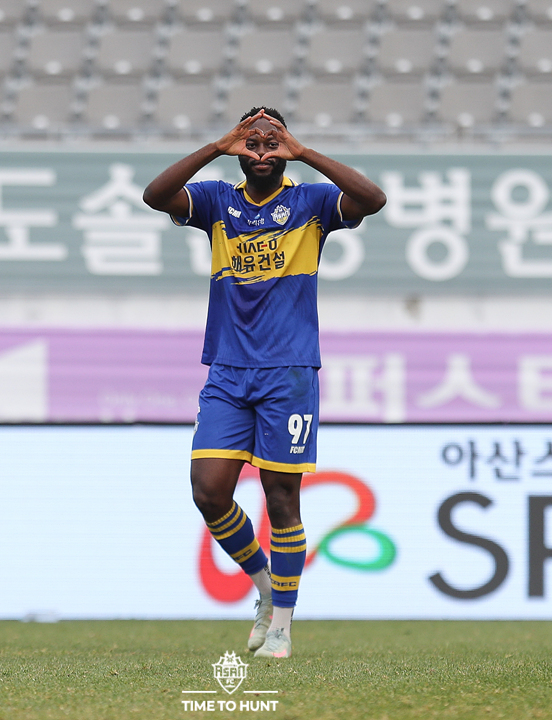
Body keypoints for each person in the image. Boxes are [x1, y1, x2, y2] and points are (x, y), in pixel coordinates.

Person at [142, 107, 386, 658]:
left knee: (281, 498)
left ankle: (282, 627)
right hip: (228, 369)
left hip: (289, 372)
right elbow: (155, 196)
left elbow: (373, 199)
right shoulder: (215, 202)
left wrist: (304, 152)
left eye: (272, 140)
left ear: (286, 147)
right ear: (238, 146)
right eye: (252, 140)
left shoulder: (312, 203)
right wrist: (215, 145)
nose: (262, 149)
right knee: (208, 491)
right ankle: (265, 590)